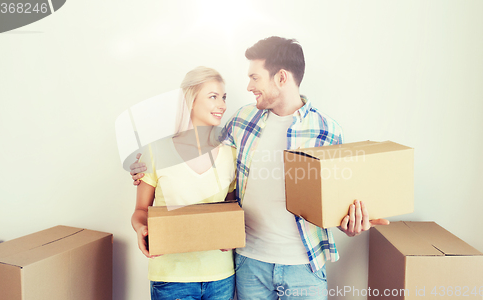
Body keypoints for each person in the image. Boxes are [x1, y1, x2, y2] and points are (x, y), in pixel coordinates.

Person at [131, 37, 389, 300]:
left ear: (280, 77)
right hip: (248, 264)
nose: (249, 86)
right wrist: (144, 163)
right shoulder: (242, 120)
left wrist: (350, 223)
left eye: (255, 78)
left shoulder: (328, 130)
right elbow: (197, 145)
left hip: (304, 266)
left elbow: (337, 200)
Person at [131, 66, 237, 300]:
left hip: (220, 277)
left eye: (224, 97)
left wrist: (231, 234)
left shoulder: (230, 155)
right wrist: (141, 229)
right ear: (190, 100)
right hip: (171, 278)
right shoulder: (156, 151)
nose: (222, 105)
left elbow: (231, 210)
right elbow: (140, 211)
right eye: (213, 96)